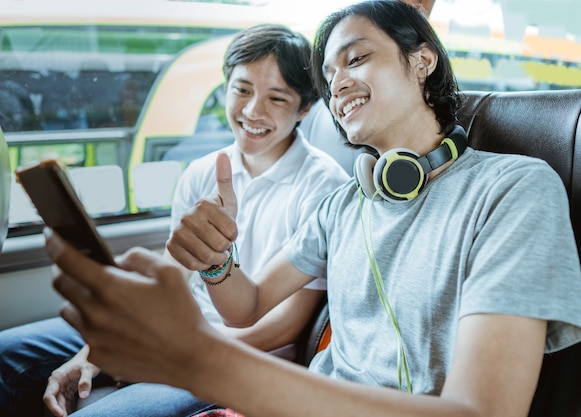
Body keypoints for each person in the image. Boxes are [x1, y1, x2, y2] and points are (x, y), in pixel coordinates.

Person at [47, 1, 581, 417]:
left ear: (422, 60)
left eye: (357, 59)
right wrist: (217, 259)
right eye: (331, 77)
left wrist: (199, 359)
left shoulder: (514, 190)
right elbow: (248, 304)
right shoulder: (344, 203)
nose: (340, 85)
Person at [0, 24, 349, 417]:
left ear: (305, 108)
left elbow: (286, 326)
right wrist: (95, 349)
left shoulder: (325, 186)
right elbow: (171, 274)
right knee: (6, 354)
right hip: (173, 330)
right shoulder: (201, 173)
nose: (253, 111)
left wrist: (172, 351)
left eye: (277, 98)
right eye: (242, 90)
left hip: (239, 356)